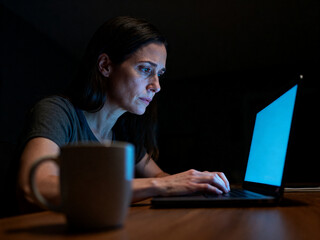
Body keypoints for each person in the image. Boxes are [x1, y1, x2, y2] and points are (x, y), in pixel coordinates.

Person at [17, 16, 230, 211]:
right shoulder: (58, 112)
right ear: (105, 65)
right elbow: (34, 185)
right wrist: (161, 185)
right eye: (146, 69)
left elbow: (158, 176)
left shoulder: (124, 130)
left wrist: (194, 183)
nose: (157, 86)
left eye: (160, 74)